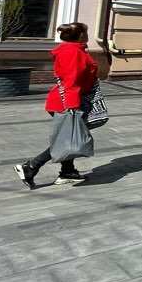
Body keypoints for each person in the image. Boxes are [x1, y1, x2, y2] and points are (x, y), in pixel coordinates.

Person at [14, 22, 98, 188]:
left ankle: (68, 172)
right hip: (68, 101)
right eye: (86, 32)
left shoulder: (74, 49)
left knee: (69, 136)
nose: (88, 35)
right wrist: (72, 106)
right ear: (81, 35)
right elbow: (71, 79)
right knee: (67, 138)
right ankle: (31, 166)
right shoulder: (73, 52)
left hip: (68, 99)